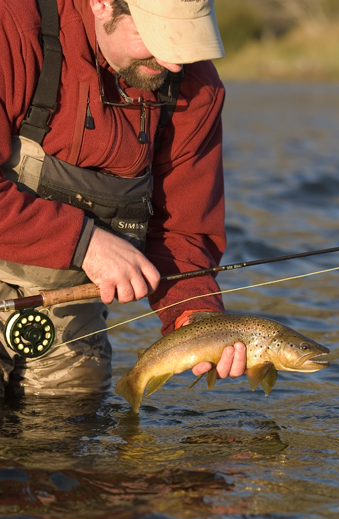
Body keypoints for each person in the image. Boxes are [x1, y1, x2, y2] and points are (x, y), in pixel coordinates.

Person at [0, 0, 246, 400]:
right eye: (155, 35)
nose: (173, 63)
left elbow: (184, 229)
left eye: (185, 39)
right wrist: (85, 243)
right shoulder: (12, 27)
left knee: (69, 447)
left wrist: (193, 316)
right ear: (102, 5)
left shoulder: (195, 85)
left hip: (66, 315)